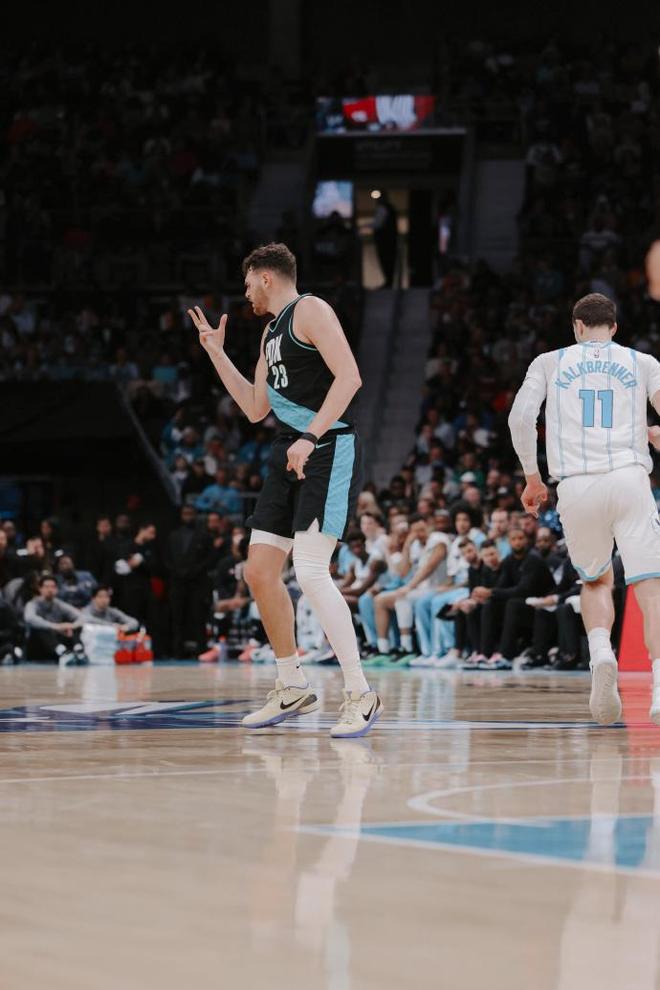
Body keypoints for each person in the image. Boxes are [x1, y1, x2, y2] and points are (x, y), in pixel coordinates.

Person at [188, 242, 382, 737]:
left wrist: (311, 436)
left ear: (265, 276)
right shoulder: (270, 332)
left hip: (327, 446)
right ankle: (291, 683)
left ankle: (361, 692)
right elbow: (255, 408)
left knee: (311, 570)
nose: (245, 292)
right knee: (258, 571)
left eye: (247, 282)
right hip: (288, 448)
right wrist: (216, 354)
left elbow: (350, 378)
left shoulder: (310, 309)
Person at [508, 291, 660, 724]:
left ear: (576, 326)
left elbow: (520, 418)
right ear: (614, 328)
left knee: (595, 581)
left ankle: (600, 653)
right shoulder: (642, 362)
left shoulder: (549, 362)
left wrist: (532, 477)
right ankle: (659, 688)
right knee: (650, 588)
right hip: (630, 479)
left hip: (576, 484)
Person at [165, 506, 215, 657]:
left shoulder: (204, 536)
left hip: (197, 582)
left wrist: (195, 570)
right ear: (181, 515)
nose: (188, 517)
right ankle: (177, 651)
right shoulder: (173, 536)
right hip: (177, 582)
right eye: (185, 514)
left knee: (198, 616)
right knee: (177, 618)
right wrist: (177, 571)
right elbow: (167, 558)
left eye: (190, 514)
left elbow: (210, 558)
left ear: (195, 515)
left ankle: (201, 650)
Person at [23, 575, 86, 664]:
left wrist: (71, 626)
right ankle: (63, 653)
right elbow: (29, 618)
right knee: (40, 627)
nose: (50, 590)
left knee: (76, 625)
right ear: (40, 589)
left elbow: (82, 617)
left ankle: (79, 650)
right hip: (38, 646)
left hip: (56, 641)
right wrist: (55, 627)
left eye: (53, 587)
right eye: (46, 587)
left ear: (57, 589)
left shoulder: (59, 604)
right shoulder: (32, 604)